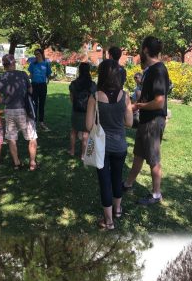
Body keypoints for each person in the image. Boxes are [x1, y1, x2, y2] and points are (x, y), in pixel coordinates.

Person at [85, 59, 133, 230]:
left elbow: (89, 126)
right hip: (120, 145)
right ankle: (118, 209)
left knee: (105, 182)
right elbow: (129, 123)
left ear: (101, 74)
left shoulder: (95, 97)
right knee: (117, 177)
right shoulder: (125, 96)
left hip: (101, 147)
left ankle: (108, 221)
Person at [122, 36, 171, 205]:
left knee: (153, 158)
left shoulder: (158, 70)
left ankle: (156, 194)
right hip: (146, 121)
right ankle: (128, 184)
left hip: (153, 121)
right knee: (139, 154)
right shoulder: (151, 70)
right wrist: (137, 106)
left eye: (141, 48)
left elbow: (159, 101)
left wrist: (140, 106)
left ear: (145, 50)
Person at [0, 54, 38, 169]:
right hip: (25, 110)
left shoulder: (0, 79)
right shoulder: (23, 75)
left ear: (4, 65)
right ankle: (32, 163)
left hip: (9, 111)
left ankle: (16, 163)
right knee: (32, 137)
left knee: (12, 138)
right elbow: (30, 90)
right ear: (13, 63)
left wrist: (7, 99)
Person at [69, 63, 97, 158]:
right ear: (88, 70)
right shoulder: (92, 85)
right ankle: (83, 155)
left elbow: (72, 99)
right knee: (86, 133)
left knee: (73, 131)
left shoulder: (73, 84)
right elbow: (94, 99)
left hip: (76, 110)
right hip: (88, 112)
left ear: (79, 70)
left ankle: (72, 151)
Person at [27, 48, 52, 130]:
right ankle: (34, 122)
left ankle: (41, 122)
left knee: (42, 104)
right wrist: (25, 78)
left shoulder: (46, 64)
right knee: (34, 104)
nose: (37, 56)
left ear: (42, 54)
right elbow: (30, 75)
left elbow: (48, 75)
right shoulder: (32, 64)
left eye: (38, 54)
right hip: (34, 86)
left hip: (42, 86)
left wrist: (49, 78)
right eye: (35, 54)